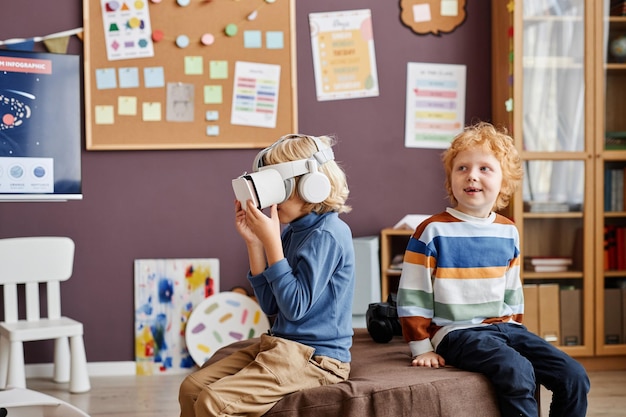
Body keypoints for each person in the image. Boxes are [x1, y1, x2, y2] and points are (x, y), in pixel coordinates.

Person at [396, 122, 590, 416]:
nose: (472, 175)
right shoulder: (432, 231)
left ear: (504, 181)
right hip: (457, 332)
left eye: (485, 168)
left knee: (574, 376)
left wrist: (516, 327)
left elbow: (513, 289)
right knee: (517, 370)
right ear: (451, 179)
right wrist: (421, 348)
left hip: (506, 327)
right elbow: (413, 294)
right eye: (462, 168)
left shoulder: (508, 230)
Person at [179, 134, 355, 417]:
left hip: (317, 359)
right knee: (192, 388)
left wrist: (272, 243)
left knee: (213, 401)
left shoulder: (328, 234)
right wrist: (255, 244)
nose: (269, 200)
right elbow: (272, 306)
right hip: (280, 346)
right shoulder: (294, 231)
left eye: (279, 187)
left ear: (312, 185)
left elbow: (295, 308)